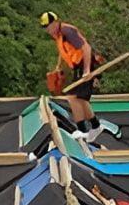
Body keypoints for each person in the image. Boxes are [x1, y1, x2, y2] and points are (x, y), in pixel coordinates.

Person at [40, 11, 105, 142]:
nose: (48, 29)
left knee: (73, 97)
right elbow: (63, 51)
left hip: (85, 63)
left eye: (49, 26)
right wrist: (58, 66)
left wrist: (87, 70)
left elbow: (86, 48)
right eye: (45, 27)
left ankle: (81, 130)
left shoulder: (67, 31)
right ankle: (95, 126)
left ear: (55, 23)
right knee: (81, 99)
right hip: (78, 66)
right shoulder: (57, 35)